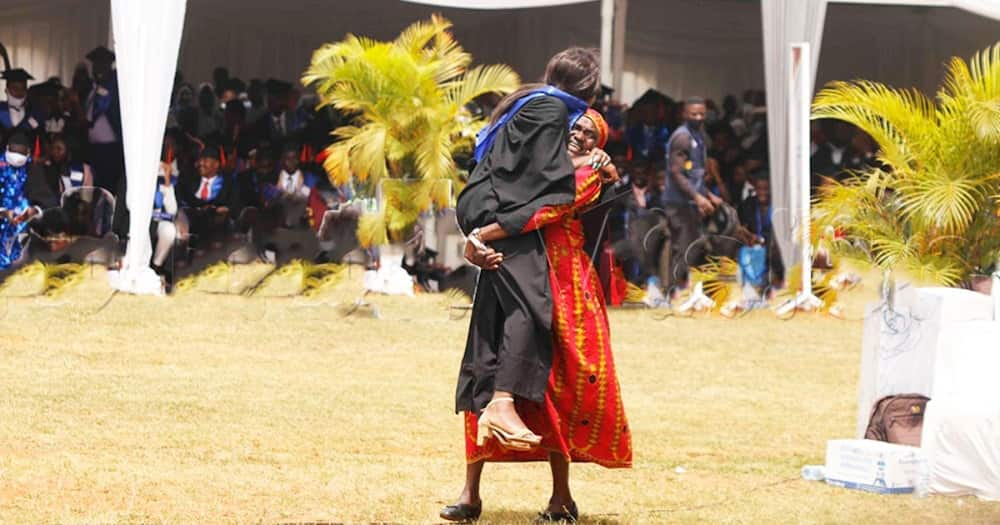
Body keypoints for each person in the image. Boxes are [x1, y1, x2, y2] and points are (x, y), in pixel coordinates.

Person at [445, 48, 631, 523]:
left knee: (557, 388)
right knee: (486, 366)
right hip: (517, 261)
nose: (577, 134)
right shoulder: (539, 158)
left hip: (562, 284)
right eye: (575, 128)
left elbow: (548, 210)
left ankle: (560, 497)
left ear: (598, 143)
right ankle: (470, 493)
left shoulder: (585, 178)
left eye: (589, 133)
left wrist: (481, 233)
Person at [661, 96, 723, 291]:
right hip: (678, 202)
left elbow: (695, 173)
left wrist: (708, 194)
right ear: (684, 114)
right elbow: (677, 172)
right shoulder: (683, 137)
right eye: (693, 114)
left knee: (694, 243)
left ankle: (684, 286)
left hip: (691, 201)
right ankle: (673, 290)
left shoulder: (699, 136)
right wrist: (697, 197)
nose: (698, 117)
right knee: (684, 244)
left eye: (701, 114)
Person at [0, 132, 45, 269]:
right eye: (14, 150)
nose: (17, 155)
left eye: (21, 151)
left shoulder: (34, 170)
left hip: (24, 231)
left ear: (28, 153)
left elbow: (47, 198)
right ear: (7, 148)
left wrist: (35, 210)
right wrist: (3, 212)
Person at [179, 146, 232, 249]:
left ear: (216, 164)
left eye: (205, 160)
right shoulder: (189, 180)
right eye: (200, 160)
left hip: (216, 224)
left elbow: (234, 205)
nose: (200, 164)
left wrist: (225, 209)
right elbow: (181, 201)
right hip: (191, 221)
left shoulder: (227, 184)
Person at [0, 68, 42, 147]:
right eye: (15, 89)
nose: (19, 93)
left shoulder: (33, 114)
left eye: (23, 89)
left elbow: (41, 141)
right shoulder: (0, 111)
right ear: (6, 90)